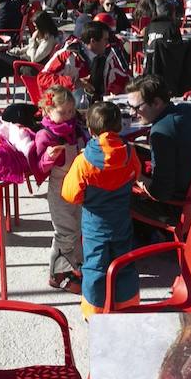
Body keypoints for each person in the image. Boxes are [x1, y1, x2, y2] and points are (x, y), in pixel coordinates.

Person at [60, 101, 142, 316]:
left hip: (95, 225)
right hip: (122, 221)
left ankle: (94, 312)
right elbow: (136, 174)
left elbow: (70, 195)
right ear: (119, 127)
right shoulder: (129, 153)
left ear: (90, 129)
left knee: (95, 267)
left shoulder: (84, 161)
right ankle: (127, 305)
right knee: (124, 262)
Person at [126, 74, 191, 229]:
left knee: (116, 193)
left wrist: (137, 176)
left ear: (157, 103)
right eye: (128, 106)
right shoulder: (188, 109)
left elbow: (160, 193)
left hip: (183, 207)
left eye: (136, 107)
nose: (131, 113)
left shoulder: (161, 133)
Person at [33, 84, 88, 294]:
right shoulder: (46, 136)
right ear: (48, 111)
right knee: (65, 232)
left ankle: (76, 267)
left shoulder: (76, 128)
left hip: (79, 187)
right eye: (62, 112)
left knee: (78, 228)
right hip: (59, 190)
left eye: (70, 112)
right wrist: (48, 158)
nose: (67, 116)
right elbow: (37, 167)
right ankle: (57, 274)